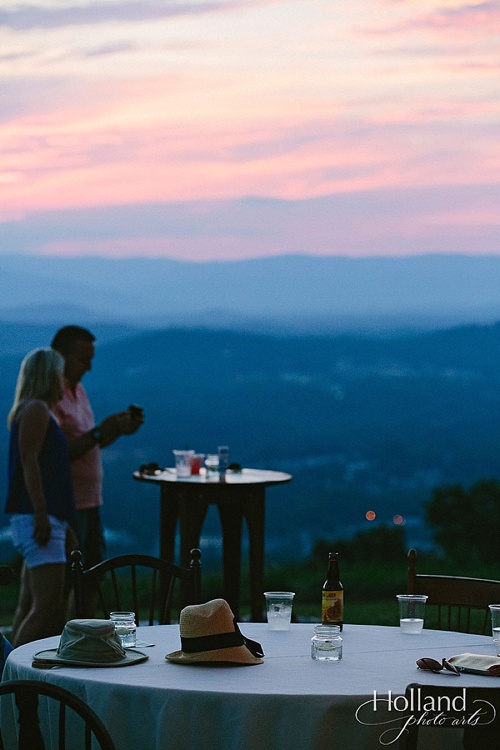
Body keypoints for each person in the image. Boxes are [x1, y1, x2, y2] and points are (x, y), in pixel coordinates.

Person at [50, 326, 144, 605]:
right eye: (83, 359)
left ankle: (83, 633)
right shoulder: (52, 396)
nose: (89, 367)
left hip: (90, 502)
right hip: (67, 504)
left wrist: (116, 430)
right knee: (64, 583)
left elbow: (91, 443)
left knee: (91, 577)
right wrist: (100, 432)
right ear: (60, 356)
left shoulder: (78, 390)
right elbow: (56, 454)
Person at [5, 348, 78, 646]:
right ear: (49, 376)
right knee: (47, 607)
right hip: (38, 517)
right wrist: (41, 514)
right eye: (60, 373)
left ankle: (10, 675)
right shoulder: (36, 410)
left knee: (28, 605)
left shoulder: (33, 409)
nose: (64, 380)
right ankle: (13, 678)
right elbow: (29, 461)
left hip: (39, 517)